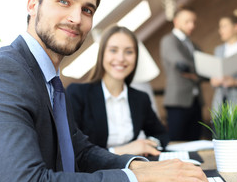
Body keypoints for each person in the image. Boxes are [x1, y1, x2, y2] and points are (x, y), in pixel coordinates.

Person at [0, 0, 210, 182]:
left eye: (87, 9)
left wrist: (139, 165)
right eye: (64, 1)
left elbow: (80, 152)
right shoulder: (1, 76)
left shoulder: (47, 79)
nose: (76, 18)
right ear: (33, 5)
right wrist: (138, 178)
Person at [67, 25, 169, 157]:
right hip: (94, 174)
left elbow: (161, 134)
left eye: (129, 52)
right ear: (102, 54)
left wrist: (148, 144)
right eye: (113, 50)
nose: (121, 58)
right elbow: (74, 149)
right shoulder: (77, 94)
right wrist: (123, 151)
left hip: (134, 169)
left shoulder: (140, 98)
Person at [160, 6, 204, 141]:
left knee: (195, 140)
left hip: (196, 101)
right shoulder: (169, 40)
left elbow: (205, 72)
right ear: (176, 21)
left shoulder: (194, 45)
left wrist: (196, 74)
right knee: (177, 142)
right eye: (187, 21)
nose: (192, 25)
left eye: (194, 22)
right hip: (177, 102)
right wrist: (198, 73)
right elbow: (182, 65)